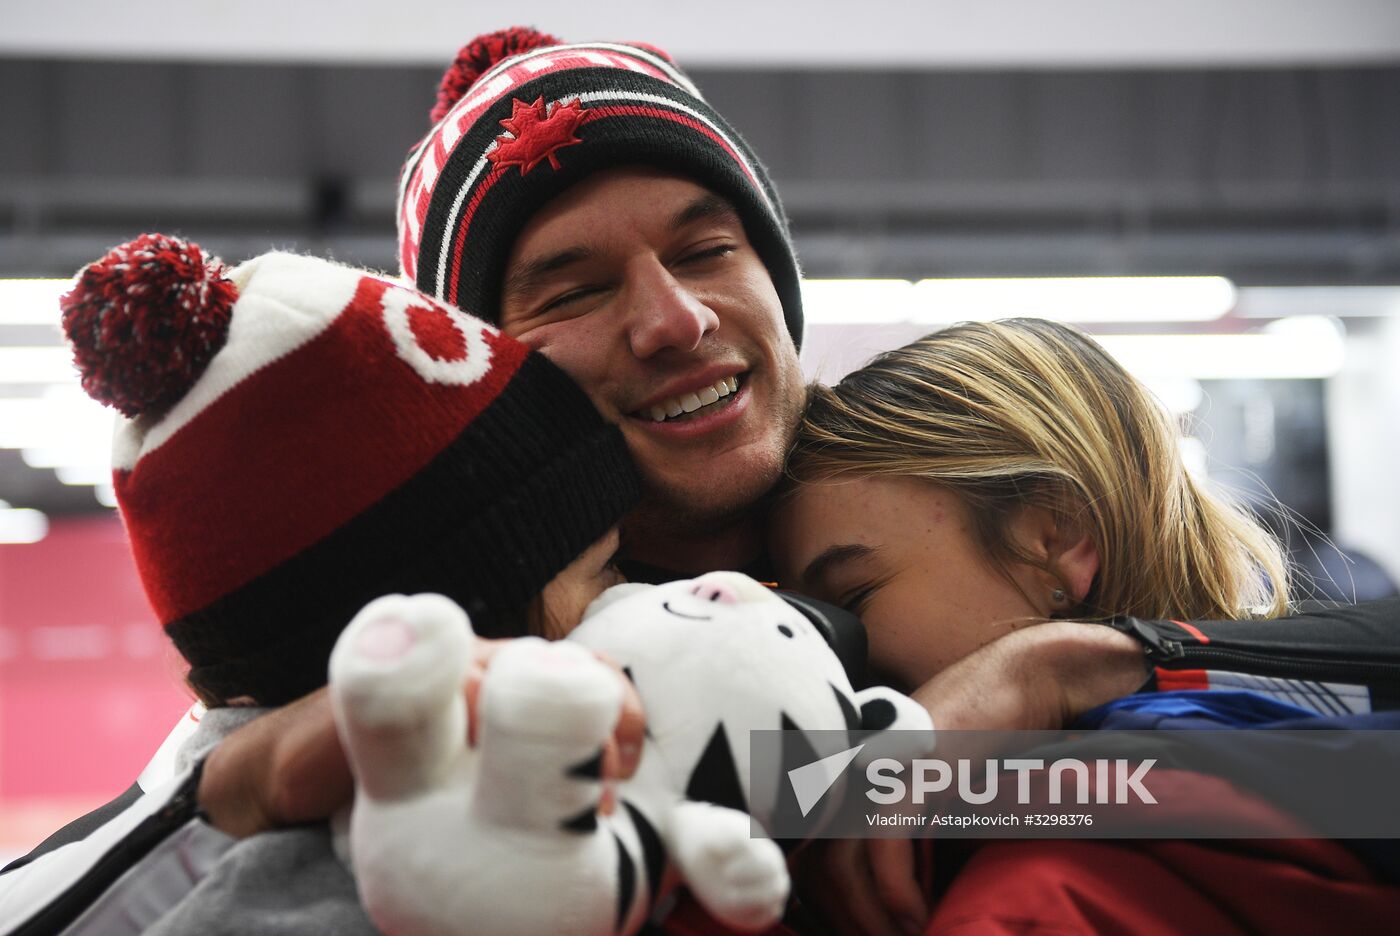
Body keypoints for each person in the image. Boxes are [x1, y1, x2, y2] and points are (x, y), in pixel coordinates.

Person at [7, 24, 1400, 934]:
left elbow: (1338, 779)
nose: (672, 316)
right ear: (497, 375)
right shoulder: (445, 667)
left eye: (708, 245)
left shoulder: (895, 471)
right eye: (571, 286)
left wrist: (1079, 668)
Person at [0, 235, 645, 933]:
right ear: (444, 635)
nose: (677, 319)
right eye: (602, 571)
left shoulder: (210, 798)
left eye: (710, 249)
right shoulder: (384, 886)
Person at [769, 318, 1400, 935]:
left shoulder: (1027, 902)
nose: (825, 658)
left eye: (853, 599)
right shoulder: (1312, 758)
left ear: (1059, 537)